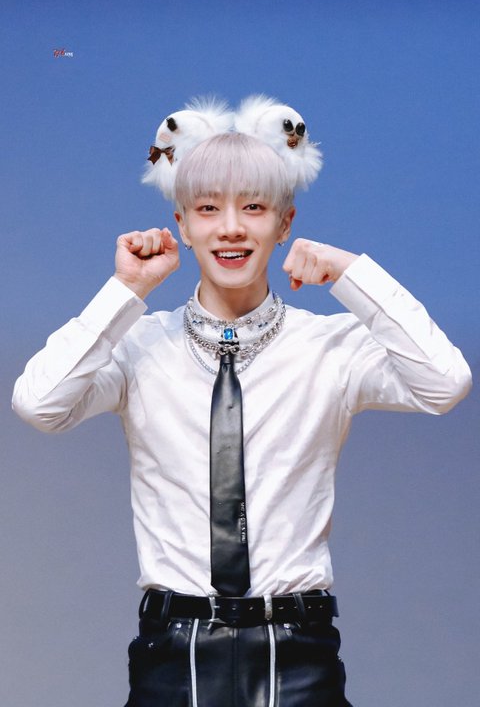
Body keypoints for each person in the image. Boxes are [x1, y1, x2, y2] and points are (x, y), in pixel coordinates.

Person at [12, 96, 471, 707]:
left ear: (284, 223)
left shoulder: (329, 347)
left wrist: (351, 273)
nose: (230, 228)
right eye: (208, 209)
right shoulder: (139, 344)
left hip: (300, 654)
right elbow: (40, 404)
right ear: (182, 224)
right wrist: (126, 290)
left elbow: (444, 383)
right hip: (171, 656)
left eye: (253, 207)